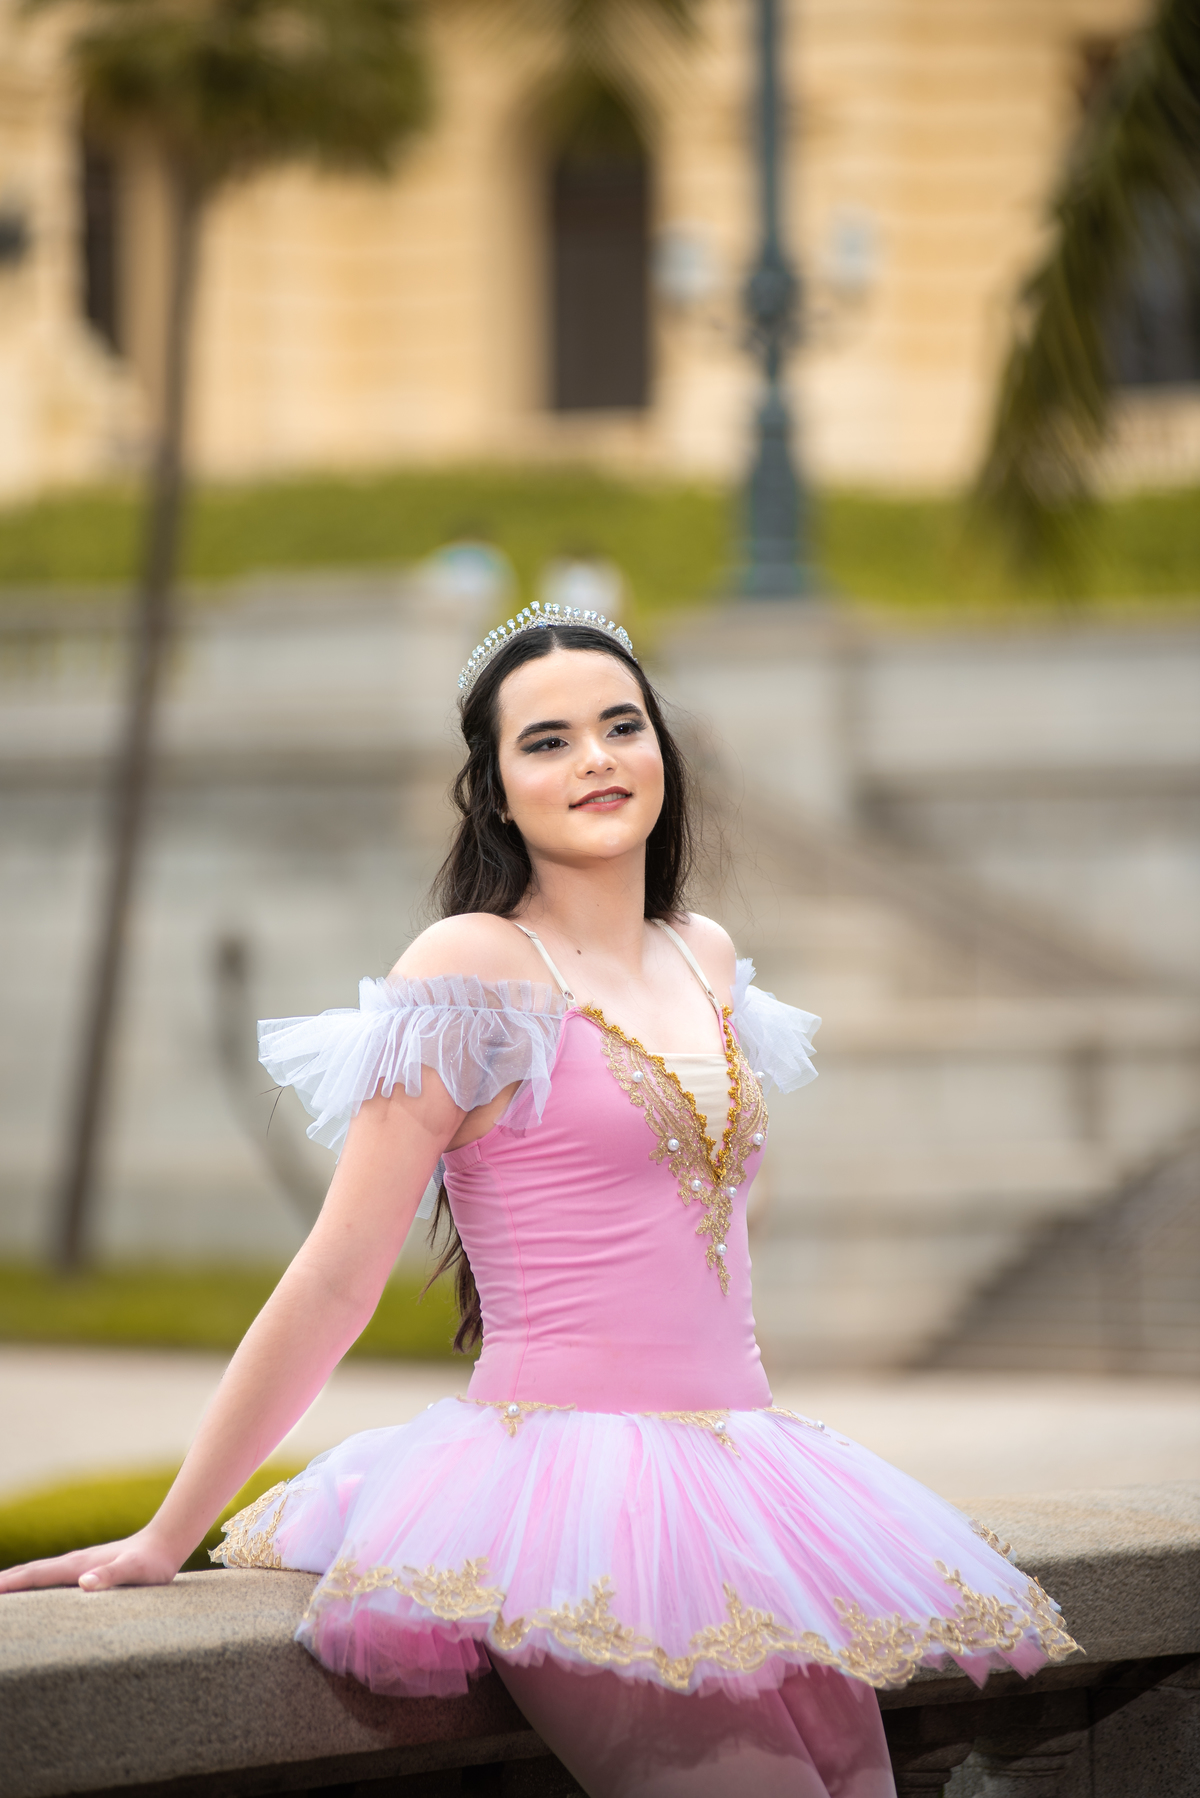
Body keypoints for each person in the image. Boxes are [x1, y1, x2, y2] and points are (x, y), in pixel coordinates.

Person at [0, 604, 1079, 1797]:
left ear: (666, 749)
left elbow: (700, 1215)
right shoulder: (473, 968)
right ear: (498, 792)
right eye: (549, 740)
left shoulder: (703, 954)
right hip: (573, 1495)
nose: (597, 758)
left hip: (747, 1471)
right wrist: (169, 1533)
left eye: (621, 725)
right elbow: (336, 1275)